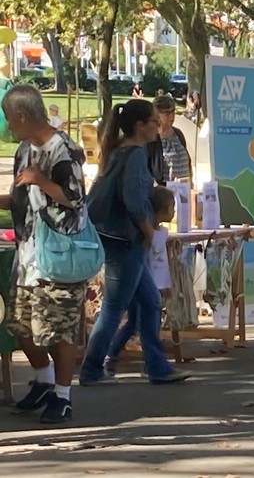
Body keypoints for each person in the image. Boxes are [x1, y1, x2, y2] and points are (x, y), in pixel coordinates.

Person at [80, 99, 190, 386]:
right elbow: (133, 199)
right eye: (154, 121)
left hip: (116, 237)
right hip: (124, 239)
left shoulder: (119, 151)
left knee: (150, 302)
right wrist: (148, 230)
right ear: (140, 126)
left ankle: (156, 367)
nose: (159, 125)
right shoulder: (135, 155)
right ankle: (92, 369)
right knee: (115, 308)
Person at [1, 85, 88, 423]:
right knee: (20, 325)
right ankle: (43, 378)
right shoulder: (24, 150)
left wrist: (41, 180)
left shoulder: (62, 150)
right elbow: (20, 198)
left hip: (60, 253)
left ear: (23, 116)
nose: (8, 126)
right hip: (27, 253)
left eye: (9, 119)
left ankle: (63, 396)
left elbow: (76, 198)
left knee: (59, 328)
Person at [103, 186, 178, 376]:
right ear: (161, 209)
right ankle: (114, 355)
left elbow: (162, 264)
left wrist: (165, 285)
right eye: (172, 206)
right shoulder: (147, 234)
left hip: (155, 284)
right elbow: (148, 262)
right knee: (137, 322)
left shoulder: (163, 233)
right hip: (142, 283)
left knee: (137, 323)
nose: (174, 210)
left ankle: (121, 357)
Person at [147, 95, 191, 185]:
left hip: (183, 190)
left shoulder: (178, 134)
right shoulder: (150, 138)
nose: (171, 116)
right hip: (162, 193)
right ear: (157, 114)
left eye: (173, 112)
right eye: (167, 113)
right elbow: (145, 169)